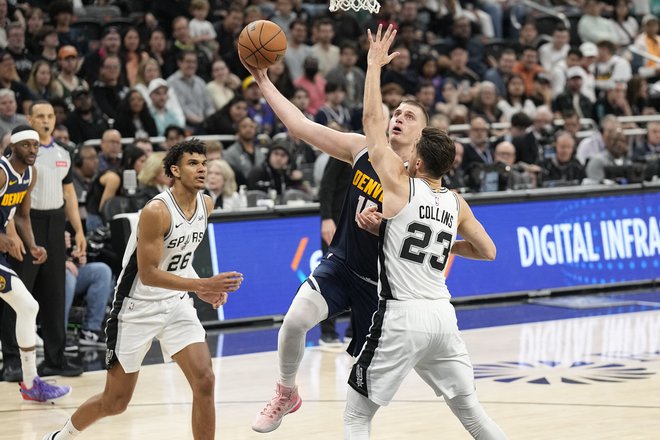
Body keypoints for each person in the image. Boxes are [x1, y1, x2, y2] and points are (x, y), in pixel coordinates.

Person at [245, 29, 429, 433]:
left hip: (385, 289)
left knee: (365, 395)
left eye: (408, 116)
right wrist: (262, 80)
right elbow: (300, 126)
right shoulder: (362, 147)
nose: (398, 118)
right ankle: (285, 392)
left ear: (421, 137)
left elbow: (427, 239)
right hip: (343, 264)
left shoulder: (422, 180)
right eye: (395, 113)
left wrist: (388, 226)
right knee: (293, 322)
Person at [344, 25, 507, 440]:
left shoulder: (401, 186)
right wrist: (446, 242)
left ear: (417, 163)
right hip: (443, 317)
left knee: (357, 417)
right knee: (472, 415)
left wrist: (373, 66)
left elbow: (370, 121)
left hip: (401, 315)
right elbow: (488, 252)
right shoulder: (456, 202)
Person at [42, 139, 244, 440]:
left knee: (205, 381)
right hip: (137, 307)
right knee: (115, 402)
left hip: (176, 305)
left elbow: (178, 259)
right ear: (174, 170)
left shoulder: (207, 204)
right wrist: (201, 284)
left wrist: (199, 290)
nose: (202, 169)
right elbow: (149, 274)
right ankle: (61, 436)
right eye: (193, 163)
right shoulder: (156, 211)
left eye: (204, 163)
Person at [1, 102, 87, 380]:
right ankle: (14, 361)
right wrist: (7, 235)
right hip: (17, 228)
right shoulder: (7, 166)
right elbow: (15, 213)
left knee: (47, 296)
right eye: (41, 116)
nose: (47, 121)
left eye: (51, 116)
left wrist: (75, 231)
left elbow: (67, 196)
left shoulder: (53, 158)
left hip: (52, 222)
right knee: (20, 299)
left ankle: (50, 362)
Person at [0, 125, 71, 401]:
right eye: (26, 145)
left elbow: (22, 216)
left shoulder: (30, 174)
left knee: (28, 306)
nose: (32, 150)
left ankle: (31, 384)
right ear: (13, 145)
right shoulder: (3, 172)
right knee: (27, 306)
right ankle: (30, 383)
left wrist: (32, 245)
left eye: (36, 145)